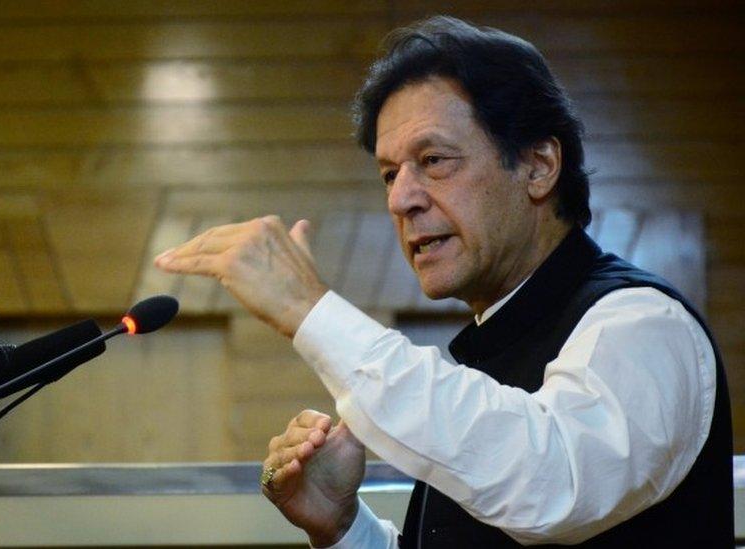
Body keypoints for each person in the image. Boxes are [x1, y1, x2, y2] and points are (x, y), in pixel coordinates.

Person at [154, 16, 731, 548]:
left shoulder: (642, 323)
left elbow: (551, 483)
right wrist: (343, 525)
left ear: (538, 166)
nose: (401, 198)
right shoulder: (489, 347)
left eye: (433, 160)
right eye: (389, 173)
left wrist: (311, 310)